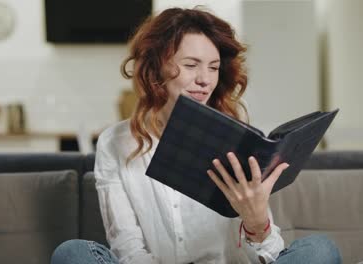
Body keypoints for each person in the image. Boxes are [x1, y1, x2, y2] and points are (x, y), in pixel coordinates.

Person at [51, 7, 341, 264]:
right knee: (73, 254)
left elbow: (268, 255)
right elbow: (128, 250)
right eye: (191, 65)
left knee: (319, 251)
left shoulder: (236, 138)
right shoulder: (115, 142)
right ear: (155, 68)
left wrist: (257, 223)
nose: (205, 79)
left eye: (213, 68)